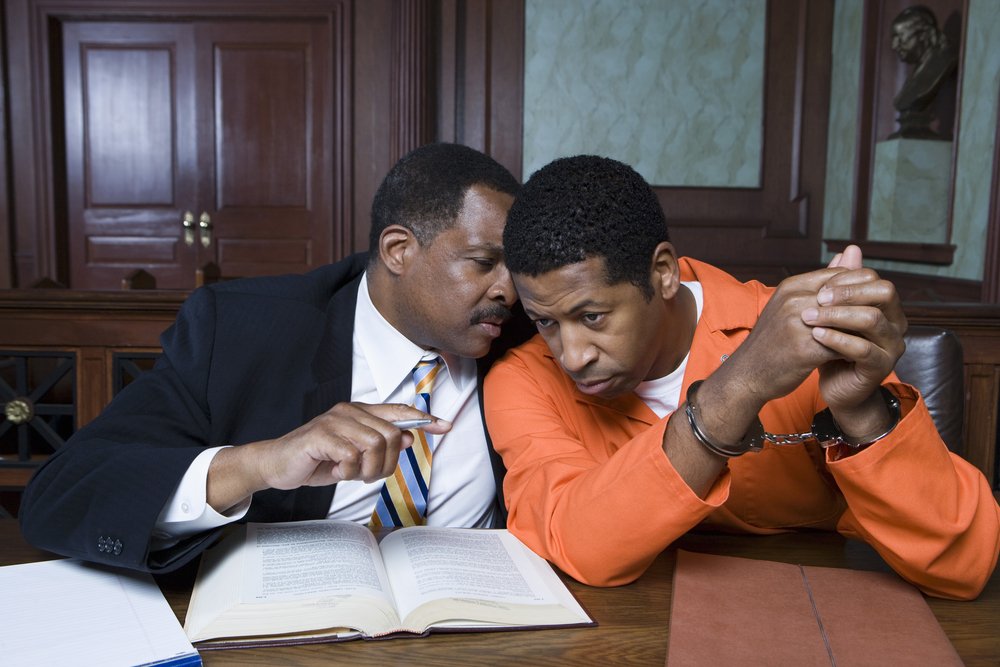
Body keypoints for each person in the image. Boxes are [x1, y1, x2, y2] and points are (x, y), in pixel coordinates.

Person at [484, 155, 1000, 600]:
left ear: (662, 273)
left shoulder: (797, 340)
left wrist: (860, 410)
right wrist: (740, 385)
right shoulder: (523, 380)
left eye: (592, 317)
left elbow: (965, 566)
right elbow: (581, 545)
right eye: (546, 322)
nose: (572, 356)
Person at [20, 143, 531, 573]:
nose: (509, 289)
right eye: (484, 262)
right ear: (399, 250)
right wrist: (257, 463)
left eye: (517, 268)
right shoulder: (240, 330)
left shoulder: (536, 333)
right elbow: (62, 494)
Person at [888, 5, 957, 139]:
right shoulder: (915, 73)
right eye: (893, 38)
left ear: (924, 35)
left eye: (900, 36)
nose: (894, 45)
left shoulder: (943, 63)